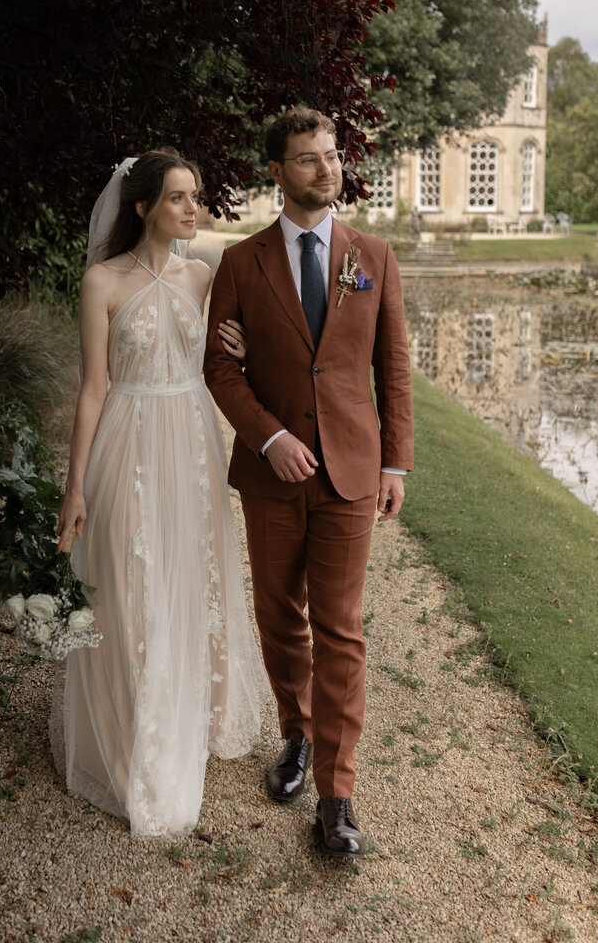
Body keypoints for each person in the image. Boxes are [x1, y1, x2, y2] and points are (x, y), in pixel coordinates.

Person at [204, 106, 413, 859]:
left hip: (352, 473)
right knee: (277, 615)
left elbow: (391, 368)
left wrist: (394, 463)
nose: (327, 170)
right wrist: (270, 437)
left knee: (341, 629)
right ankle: (294, 735)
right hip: (274, 474)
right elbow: (219, 368)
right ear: (277, 171)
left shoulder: (372, 257)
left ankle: (337, 792)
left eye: (332, 156)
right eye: (308, 159)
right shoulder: (240, 263)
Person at [50, 149, 266, 837]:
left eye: (194, 197)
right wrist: (74, 486)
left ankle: (193, 714)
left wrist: (239, 348)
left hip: (192, 440)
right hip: (129, 441)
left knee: (188, 576)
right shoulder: (101, 283)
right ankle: (136, 737)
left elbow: (222, 357)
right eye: (177, 198)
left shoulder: (202, 275)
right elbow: (92, 390)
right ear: (141, 206)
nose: (191, 208)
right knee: (132, 584)